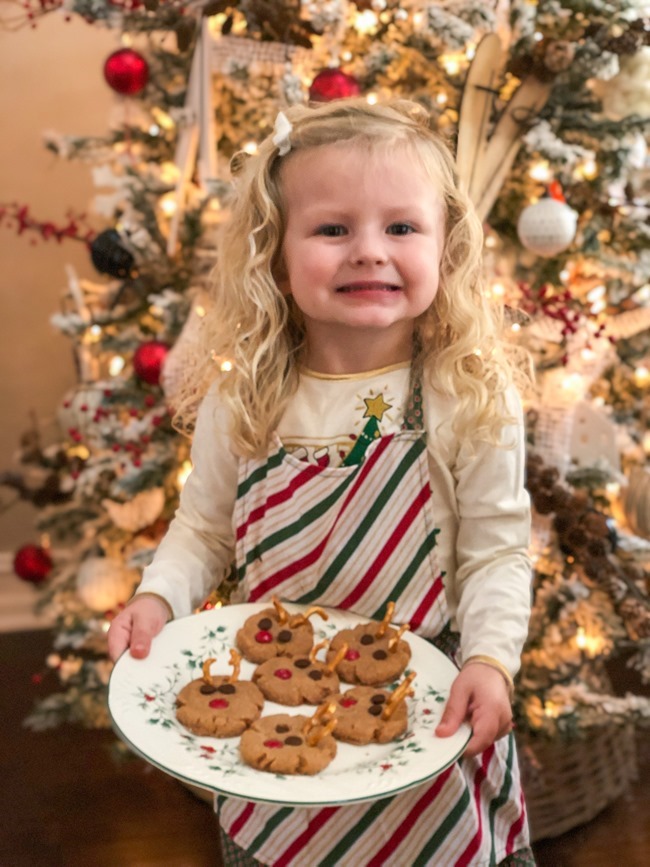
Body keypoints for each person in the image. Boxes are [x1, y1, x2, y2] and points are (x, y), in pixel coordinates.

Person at [108, 97, 535, 866]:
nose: (369, 251)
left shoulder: (467, 392)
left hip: (418, 717)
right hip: (273, 720)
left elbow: (497, 550)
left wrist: (491, 658)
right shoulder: (246, 394)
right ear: (275, 253)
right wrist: (158, 596)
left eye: (401, 227)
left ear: (449, 247)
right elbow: (203, 527)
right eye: (333, 229)